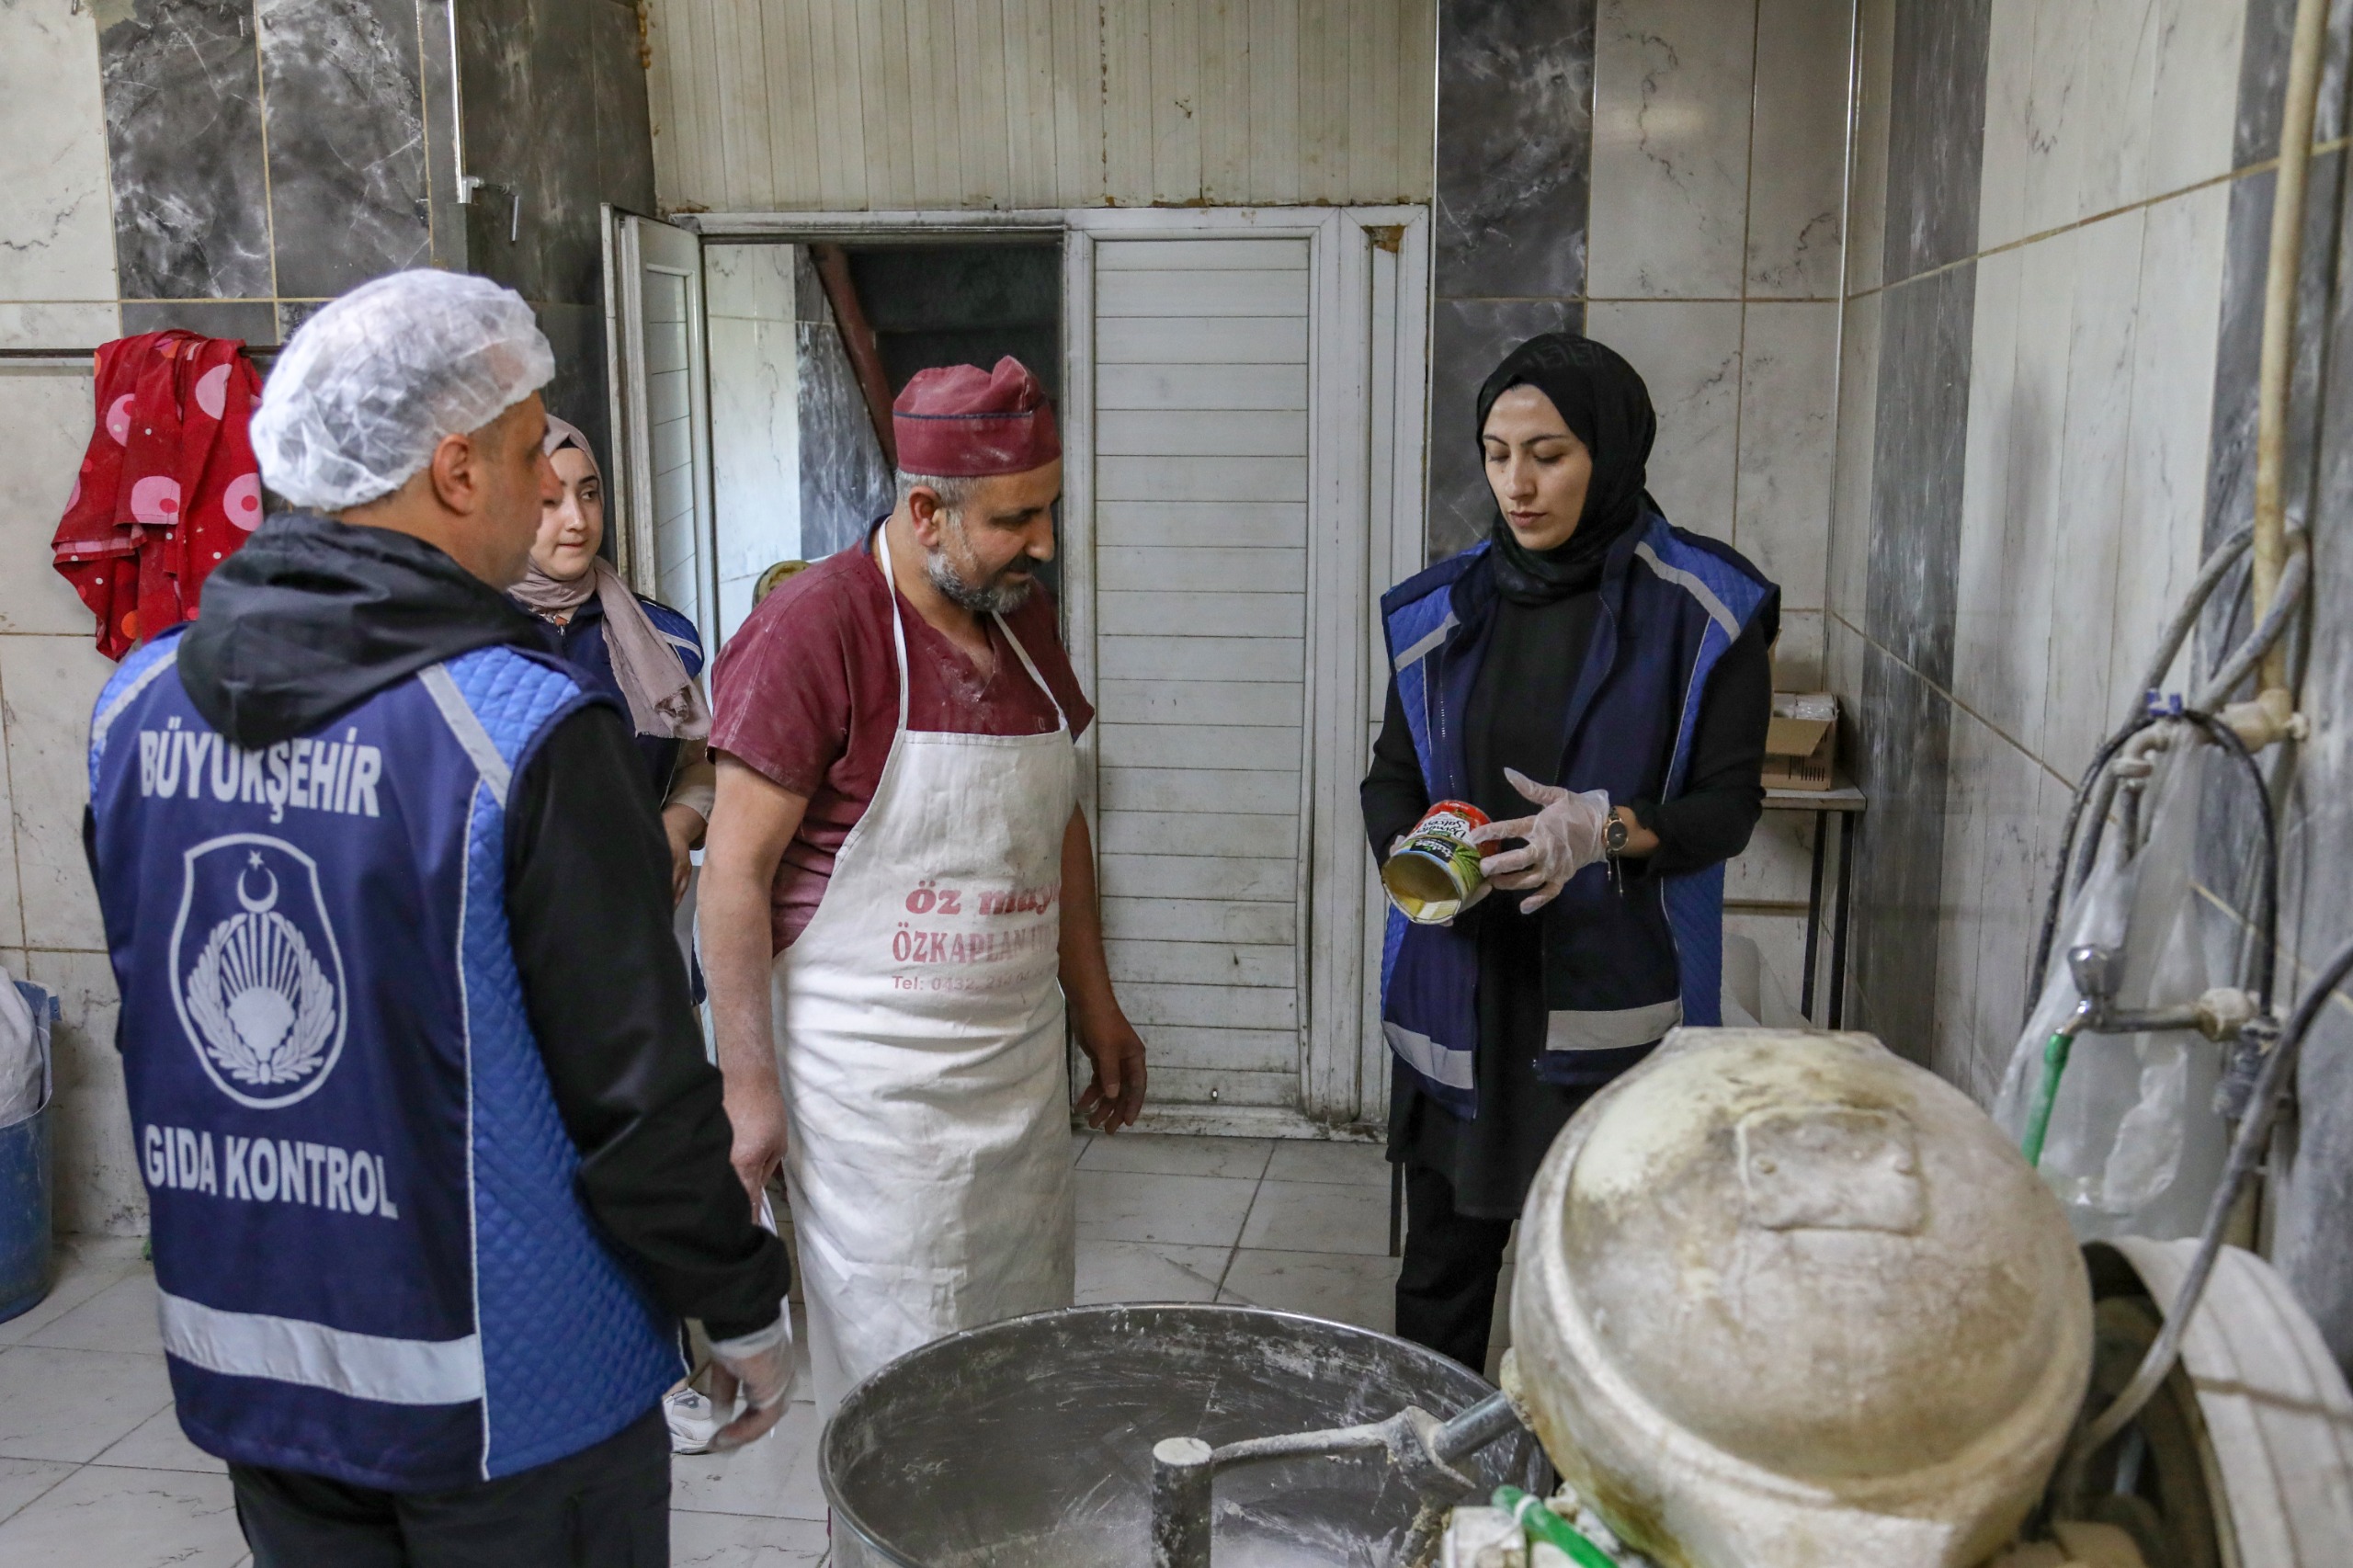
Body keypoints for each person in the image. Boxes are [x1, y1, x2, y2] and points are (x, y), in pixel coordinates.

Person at [83, 269, 793, 1566]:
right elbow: (632, 1090)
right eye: (532, 455)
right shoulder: (515, 733)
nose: (546, 495)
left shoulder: (134, 712)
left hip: (263, 1369)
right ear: (458, 471)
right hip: (513, 1396)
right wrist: (738, 1301)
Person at [699, 356, 1148, 1419]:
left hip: (1015, 1073)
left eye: (1047, 512)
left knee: (1020, 1363)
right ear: (925, 511)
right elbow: (732, 873)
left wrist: (1095, 1002)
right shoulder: (816, 629)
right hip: (871, 1100)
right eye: (1014, 518)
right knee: (904, 1397)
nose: (1042, 543)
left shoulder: (1017, 616)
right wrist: (748, 1089)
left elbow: (1055, 822)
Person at [1362, 332, 1777, 1373]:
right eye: (1497, 453)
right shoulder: (1436, 614)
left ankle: (1565, 1520)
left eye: (1547, 452)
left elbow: (1725, 809)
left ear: (1609, 448)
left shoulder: (1705, 611)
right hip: (1459, 1005)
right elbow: (1389, 778)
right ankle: (1443, 1509)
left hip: (1607, 1013)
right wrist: (1408, 854)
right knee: (1439, 1289)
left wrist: (1603, 831)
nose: (1516, 482)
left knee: (1596, 1309)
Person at [510, 416, 715, 908]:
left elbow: (702, 766)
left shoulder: (661, 638)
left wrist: (674, 828)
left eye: (588, 493)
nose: (578, 520)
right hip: (518, 933)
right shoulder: (467, 635)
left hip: (638, 921)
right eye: (548, 501)